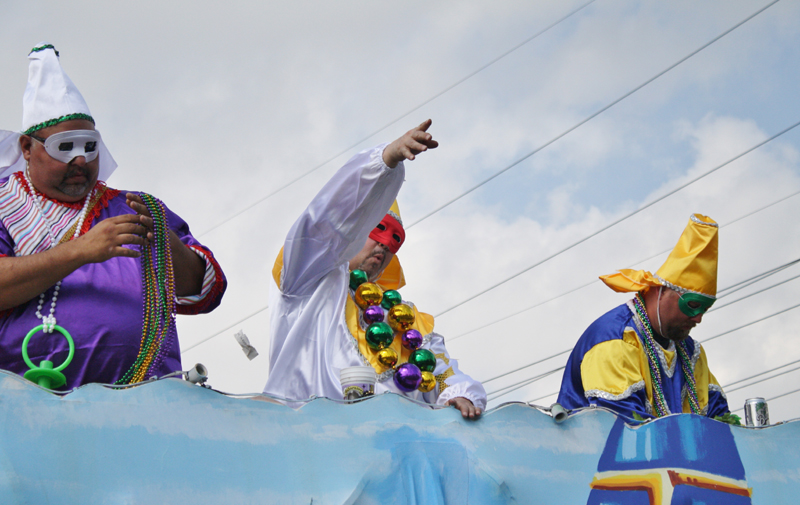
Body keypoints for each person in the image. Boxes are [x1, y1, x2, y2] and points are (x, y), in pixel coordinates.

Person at [0, 43, 226, 389]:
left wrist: (166, 246)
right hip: (24, 410)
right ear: (27, 148)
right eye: (65, 148)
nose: (80, 160)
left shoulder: (138, 207)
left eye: (89, 147)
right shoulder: (4, 203)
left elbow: (207, 292)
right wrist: (81, 251)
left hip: (145, 404)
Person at [264, 120, 486, 418]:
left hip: (396, 450)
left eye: (394, 240)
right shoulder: (307, 282)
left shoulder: (407, 317)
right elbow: (322, 223)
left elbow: (443, 372)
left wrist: (459, 395)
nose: (383, 246)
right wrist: (384, 163)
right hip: (315, 447)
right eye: (376, 230)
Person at [557, 214, 730, 421]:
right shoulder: (614, 340)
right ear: (661, 291)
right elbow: (625, 429)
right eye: (692, 305)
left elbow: (719, 420)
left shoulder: (691, 353)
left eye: (705, 309)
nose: (698, 319)